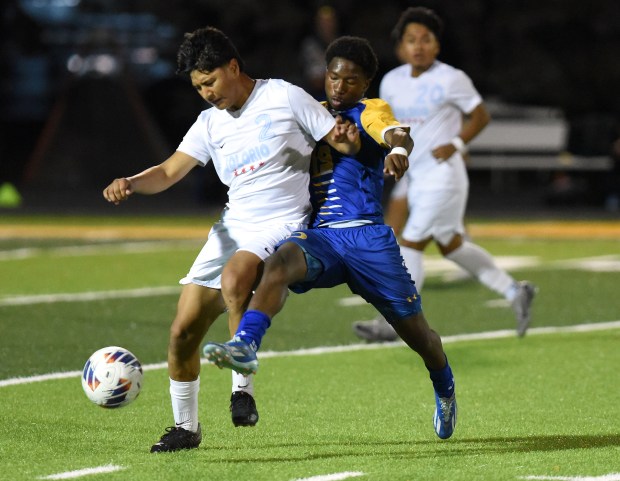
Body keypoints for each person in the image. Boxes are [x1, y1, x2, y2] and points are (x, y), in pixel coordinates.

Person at [103, 26, 358, 453]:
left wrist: (350, 142)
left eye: (210, 81)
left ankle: (243, 391)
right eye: (198, 86)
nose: (206, 92)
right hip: (232, 226)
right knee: (182, 332)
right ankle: (186, 428)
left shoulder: (283, 96)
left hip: (283, 221)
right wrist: (130, 182)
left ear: (233, 67)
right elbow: (168, 172)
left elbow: (334, 137)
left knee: (236, 278)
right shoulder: (209, 123)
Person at [203, 36, 458, 440]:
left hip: (368, 240)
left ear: (366, 84)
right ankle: (246, 344)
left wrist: (399, 151)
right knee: (278, 264)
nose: (340, 87)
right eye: (334, 77)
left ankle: (444, 384)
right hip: (320, 237)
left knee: (418, 336)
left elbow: (395, 132)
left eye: (351, 81)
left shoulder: (371, 110)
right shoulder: (311, 113)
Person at [353, 7, 536, 342]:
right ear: (400, 48)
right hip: (417, 177)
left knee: (410, 242)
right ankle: (515, 291)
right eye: (411, 40)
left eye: (426, 39)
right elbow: (391, 127)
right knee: (451, 245)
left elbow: (480, 116)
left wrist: (455, 143)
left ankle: (393, 323)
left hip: (445, 176)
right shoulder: (392, 82)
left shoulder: (452, 78)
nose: (419, 46)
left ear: (437, 46)